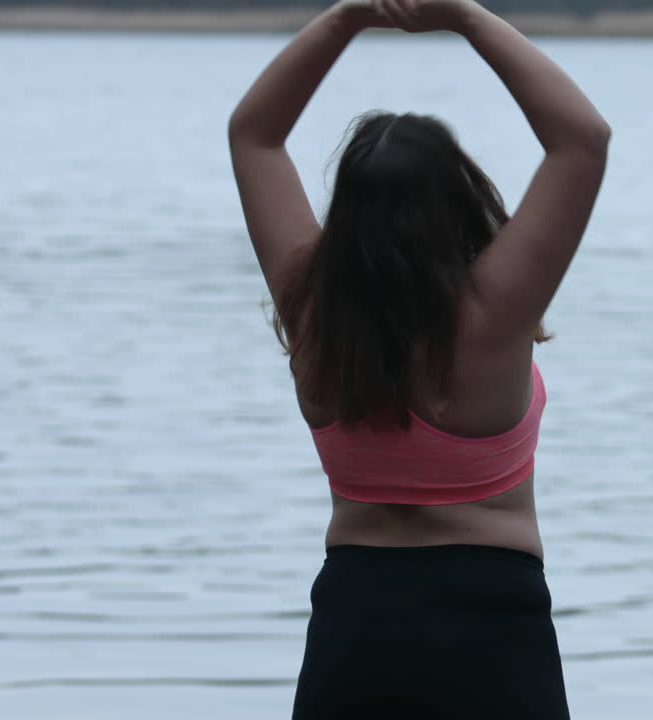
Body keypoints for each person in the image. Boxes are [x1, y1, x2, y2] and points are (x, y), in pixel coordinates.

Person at [228, 0, 609, 717]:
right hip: (493, 626)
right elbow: (582, 140)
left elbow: (254, 136)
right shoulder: (496, 312)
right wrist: (465, 16)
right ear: (459, 200)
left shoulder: (312, 307)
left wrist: (347, 17)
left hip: (354, 622)